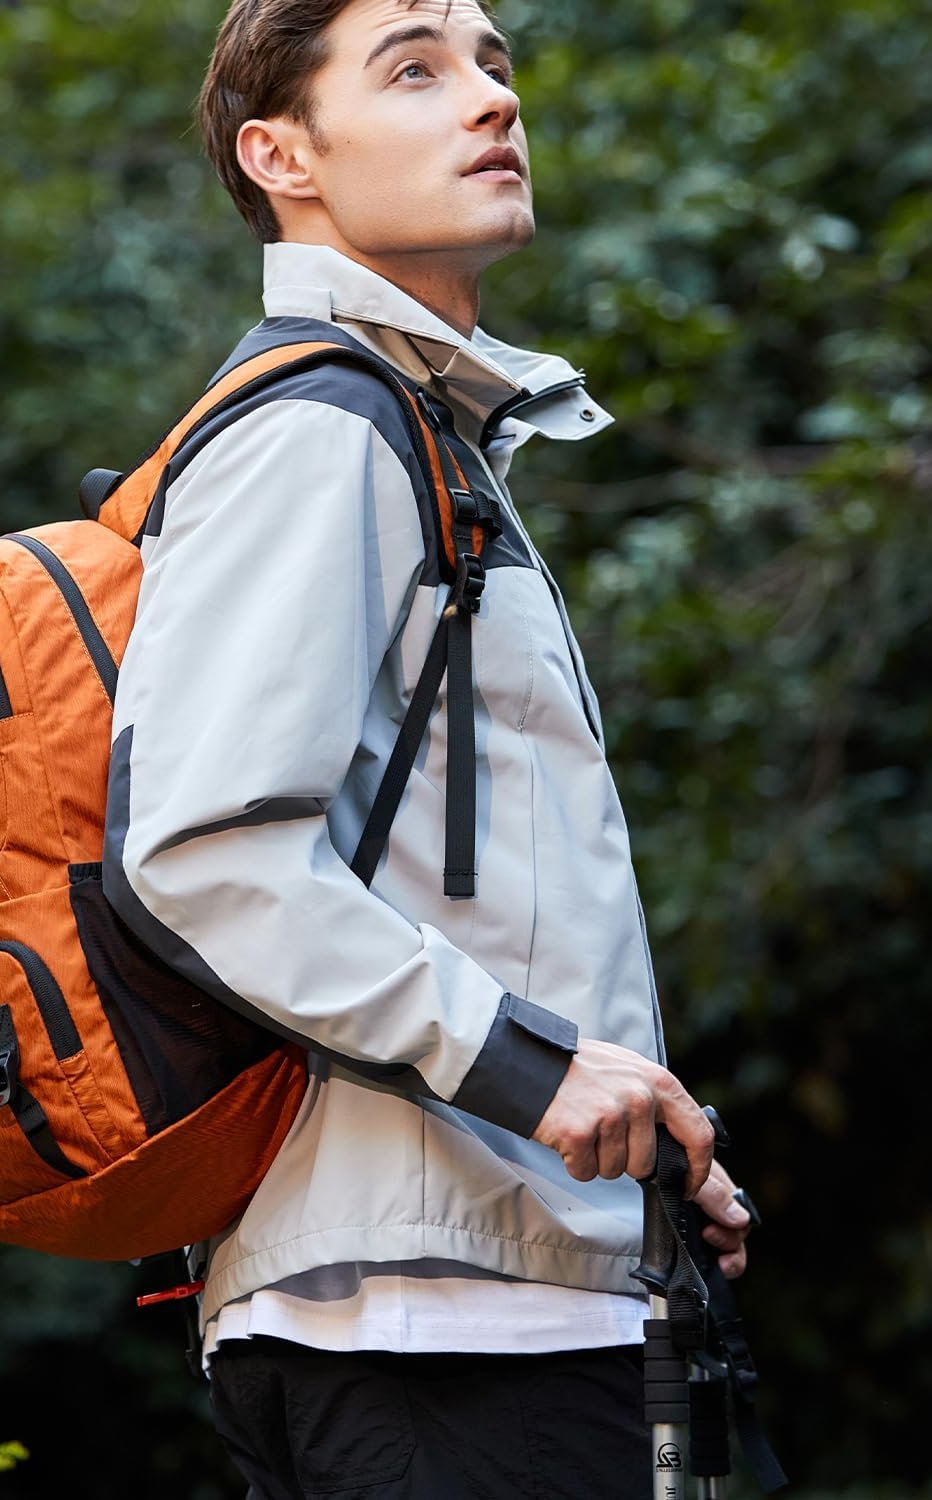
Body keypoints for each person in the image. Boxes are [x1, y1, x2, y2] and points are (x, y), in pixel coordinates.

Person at [103, 1, 755, 1494]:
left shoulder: (418, 427)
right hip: (422, 1333)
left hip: (488, 1298)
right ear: (282, 157)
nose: (491, 100)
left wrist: (644, 1165)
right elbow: (204, 853)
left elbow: (485, 892)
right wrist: (536, 1073)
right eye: (416, 68)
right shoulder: (319, 426)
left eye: (493, 64)